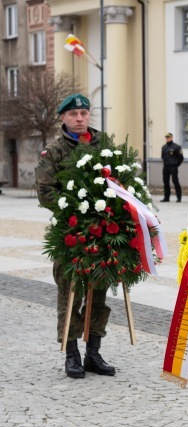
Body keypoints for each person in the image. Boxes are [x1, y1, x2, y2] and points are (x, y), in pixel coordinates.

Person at [36, 93, 116, 379]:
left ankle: (93, 352)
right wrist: (75, 212)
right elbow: (45, 192)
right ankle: (72, 355)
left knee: (99, 294)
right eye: (73, 115)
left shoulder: (104, 145)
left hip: (103, 234)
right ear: (63, 118)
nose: (80, 119)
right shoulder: (54, 151)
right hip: (69, 234)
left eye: (84, 114)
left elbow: (120, 180)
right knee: (70, 293)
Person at [161, 133, 184, 202]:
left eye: (168, 137)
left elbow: (181, 158)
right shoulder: (164, 147)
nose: (167, 139)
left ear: (171, 138)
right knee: (166, 182)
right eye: (166, 137)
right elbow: (162, 157)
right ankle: (166, 197)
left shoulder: (176, 147)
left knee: (175, 181)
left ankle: (179, 197)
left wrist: (176, 164)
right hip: (166, 166)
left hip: (173, 167)